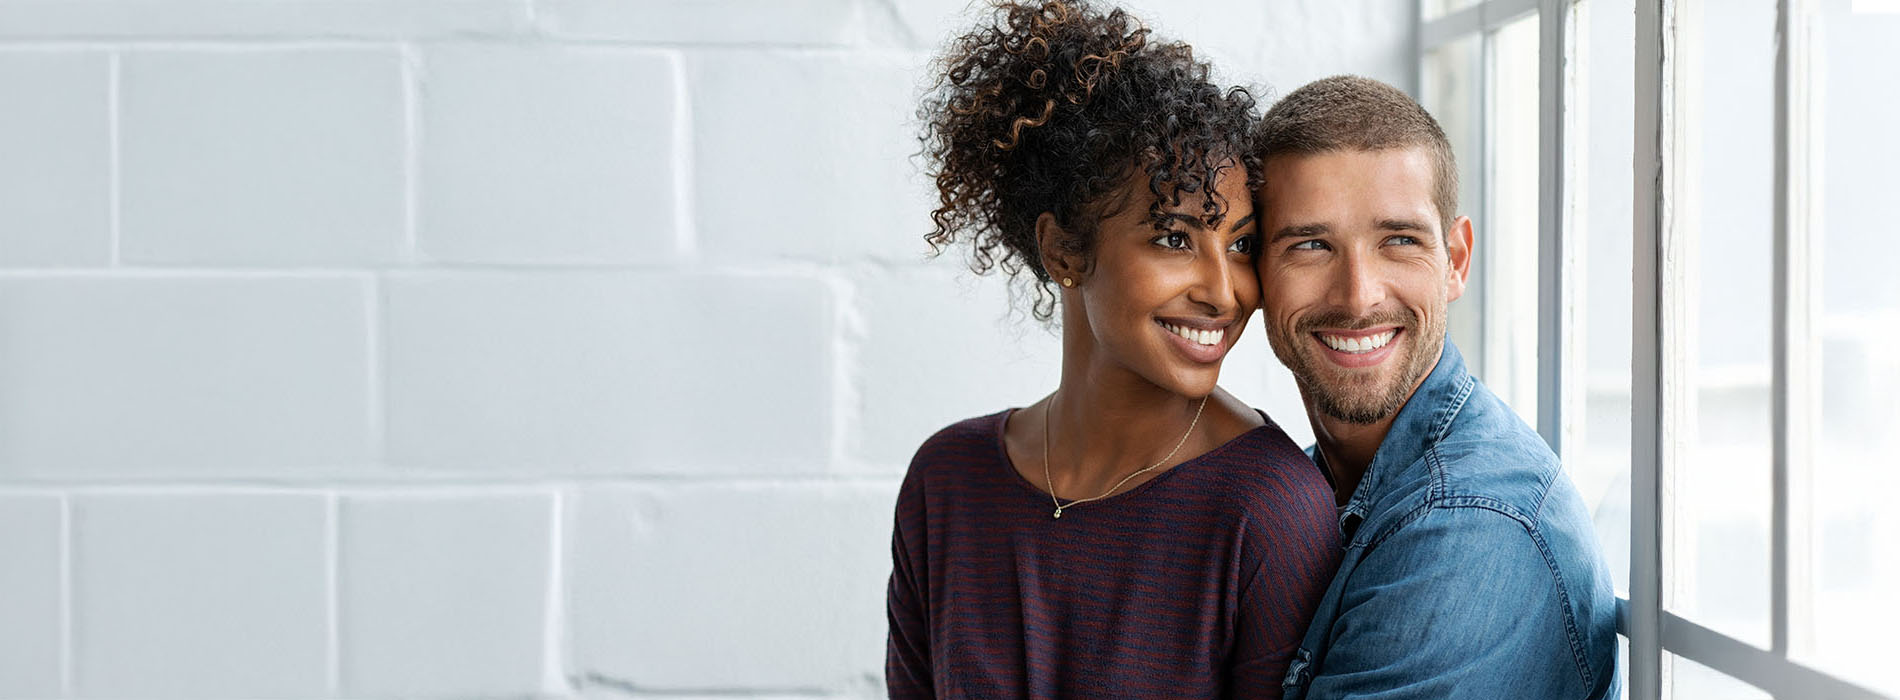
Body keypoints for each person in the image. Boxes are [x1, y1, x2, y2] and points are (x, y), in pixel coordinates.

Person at [885, 1, 1341, 697]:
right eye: (1174, 237)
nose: (1224, 291)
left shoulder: (1271, 513)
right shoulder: (946, 482)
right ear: (1064, 248)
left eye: (1241, 244)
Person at [1249, 75, 1621, 699]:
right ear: (1253, 269)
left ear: (1455, 259)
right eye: (1310, 245)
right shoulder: (1315, 485)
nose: (1358, 295)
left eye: (1399, 240)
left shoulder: (1469, 527)